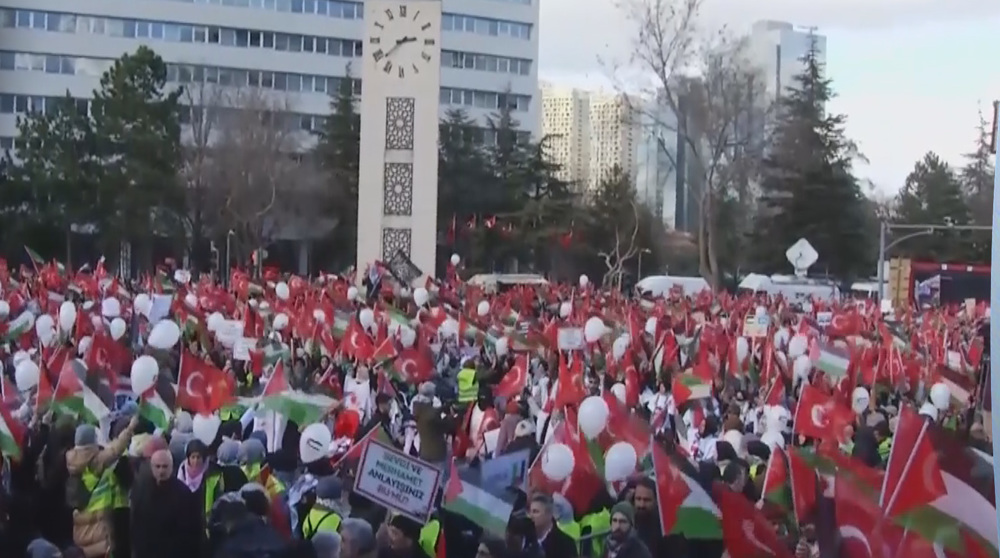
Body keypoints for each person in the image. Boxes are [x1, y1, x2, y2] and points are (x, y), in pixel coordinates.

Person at [64, 418, 138, 558]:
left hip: (82, 526)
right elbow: (116, 450)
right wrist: (130, 428)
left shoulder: (72, 461)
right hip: (98, 527)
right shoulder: (94, 462)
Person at [130, 449, 203, 558]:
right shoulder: (141, 491)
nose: (161, 471)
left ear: (172, 467)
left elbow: (192, 531)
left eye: (165, 466)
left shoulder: (183, 493)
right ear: (151, 467)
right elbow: (136, 524)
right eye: (158, 466)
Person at [526, 493, 576, 558]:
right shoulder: (525, 541)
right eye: (530, 512)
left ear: (549, 514)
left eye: (536, 512)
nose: (531, 516)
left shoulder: (566, 544)